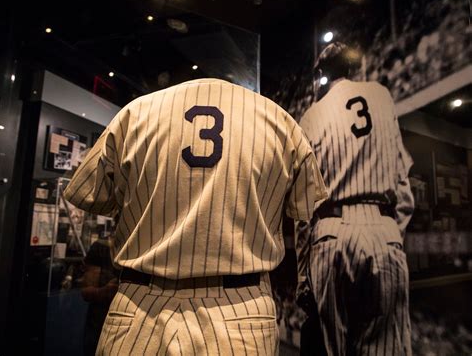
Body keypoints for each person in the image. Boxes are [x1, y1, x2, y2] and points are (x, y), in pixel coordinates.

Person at [64, 78, 328, 355]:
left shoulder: (134, 114)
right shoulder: (280, 122)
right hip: (241, 308)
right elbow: (304, 205)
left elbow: (90, 194)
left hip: (141, 303)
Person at [297, 43, 414, 355]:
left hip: (330, 233)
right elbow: (403, 185)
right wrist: (390, 234)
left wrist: (302, 277)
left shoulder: (310, 117)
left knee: (334, 348)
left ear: (322, 75)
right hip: (382, 226)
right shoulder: (381, 95)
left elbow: (303, 210)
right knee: (386, 347)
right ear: (350, 68)